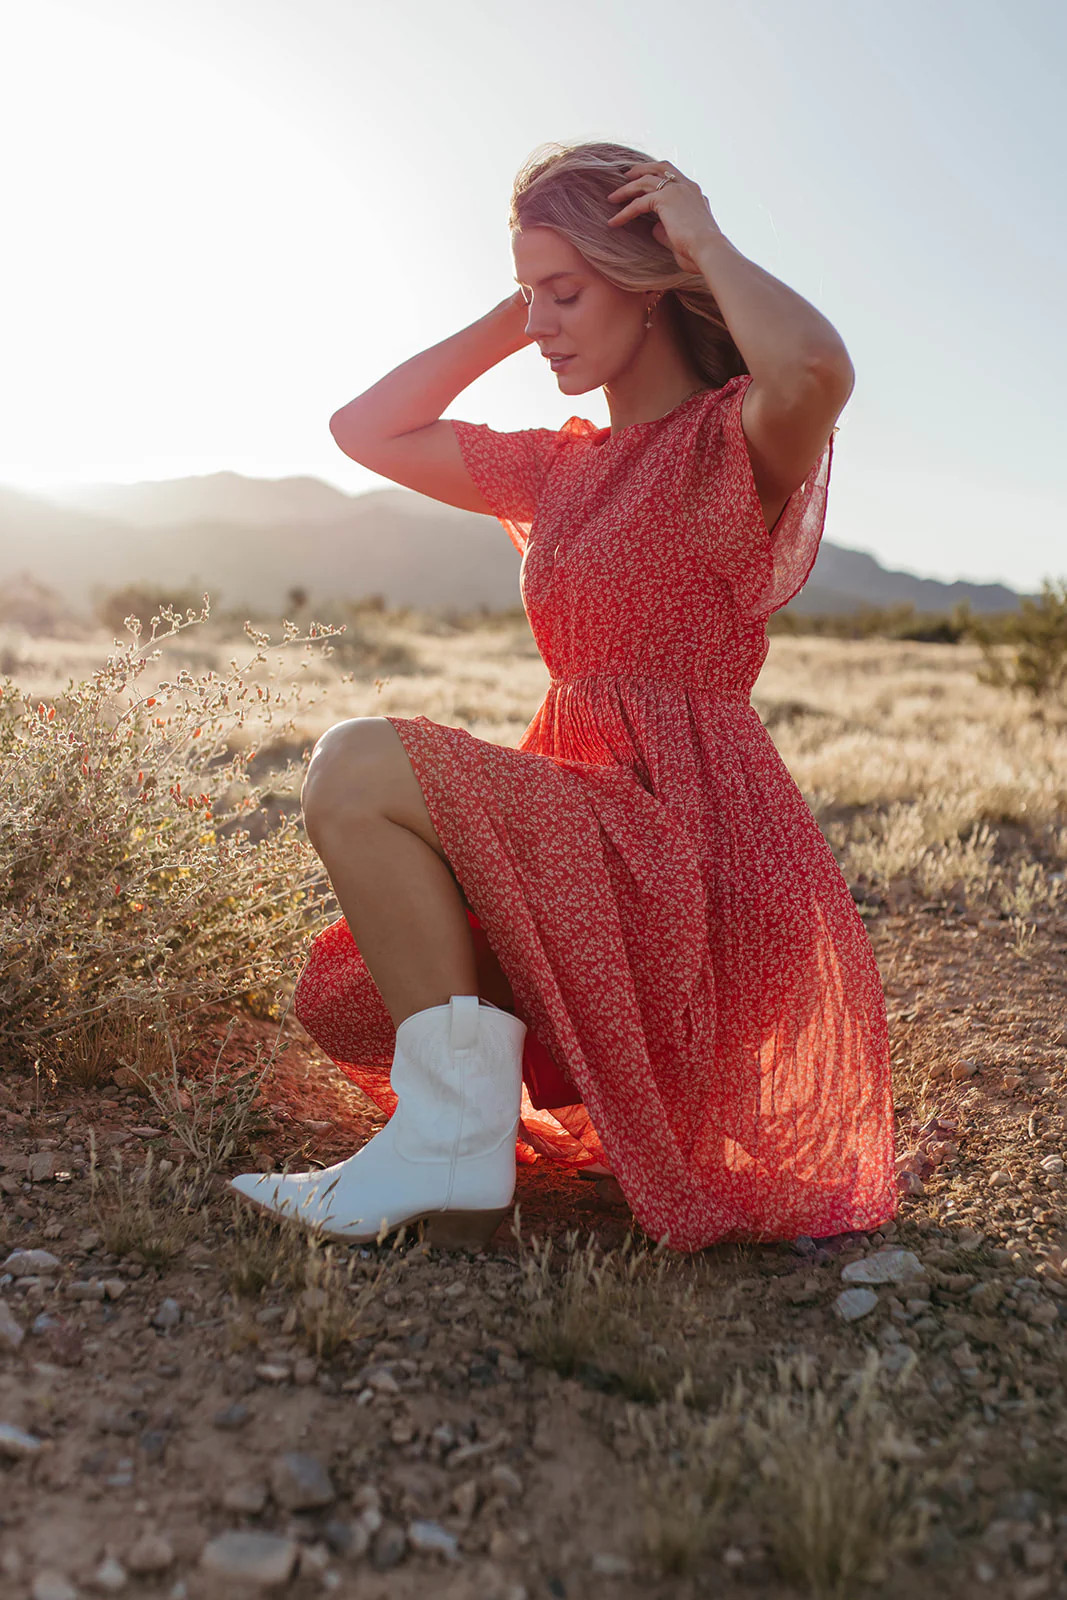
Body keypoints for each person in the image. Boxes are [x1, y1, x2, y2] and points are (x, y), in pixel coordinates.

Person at [230, 139, 897, 1254]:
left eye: (567, 291)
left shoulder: (731, 440)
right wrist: (518, 312)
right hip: (586, 832)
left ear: (646, 282)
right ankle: (457, 1163)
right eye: (528, 292)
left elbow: (816, 372)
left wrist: (701, 238)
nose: (541, 322)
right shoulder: (559, 467)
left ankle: (451, 1155)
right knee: (413, 935)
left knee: (355, 763)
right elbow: (364, 430)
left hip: (691, 859)